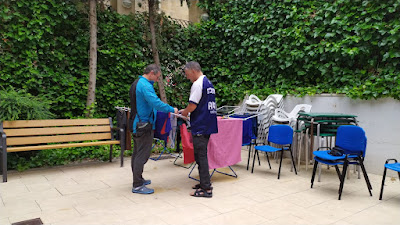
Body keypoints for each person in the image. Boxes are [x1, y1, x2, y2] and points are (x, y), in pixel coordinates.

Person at [129, 64, 178, 194]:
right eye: (157, 77)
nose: (157, 80)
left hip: (137, 123)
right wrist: (172, 109)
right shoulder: (145, 86)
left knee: (137, 153)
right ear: (151, 73)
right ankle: (137, 185)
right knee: (142, 155)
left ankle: (138, 179)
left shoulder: (138, 82)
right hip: (143, 125)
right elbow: (155, 103)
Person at [180, 61, 218, 198]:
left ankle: (206, 189)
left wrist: (184, 112)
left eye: (187, 73)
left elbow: (193, 105)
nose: (187, 77)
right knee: (201, 155)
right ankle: (204, 183)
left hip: (201, 125)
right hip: (208, 124)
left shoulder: (197, 84)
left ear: (193, 70)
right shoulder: (208, 83)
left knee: (201, 157)